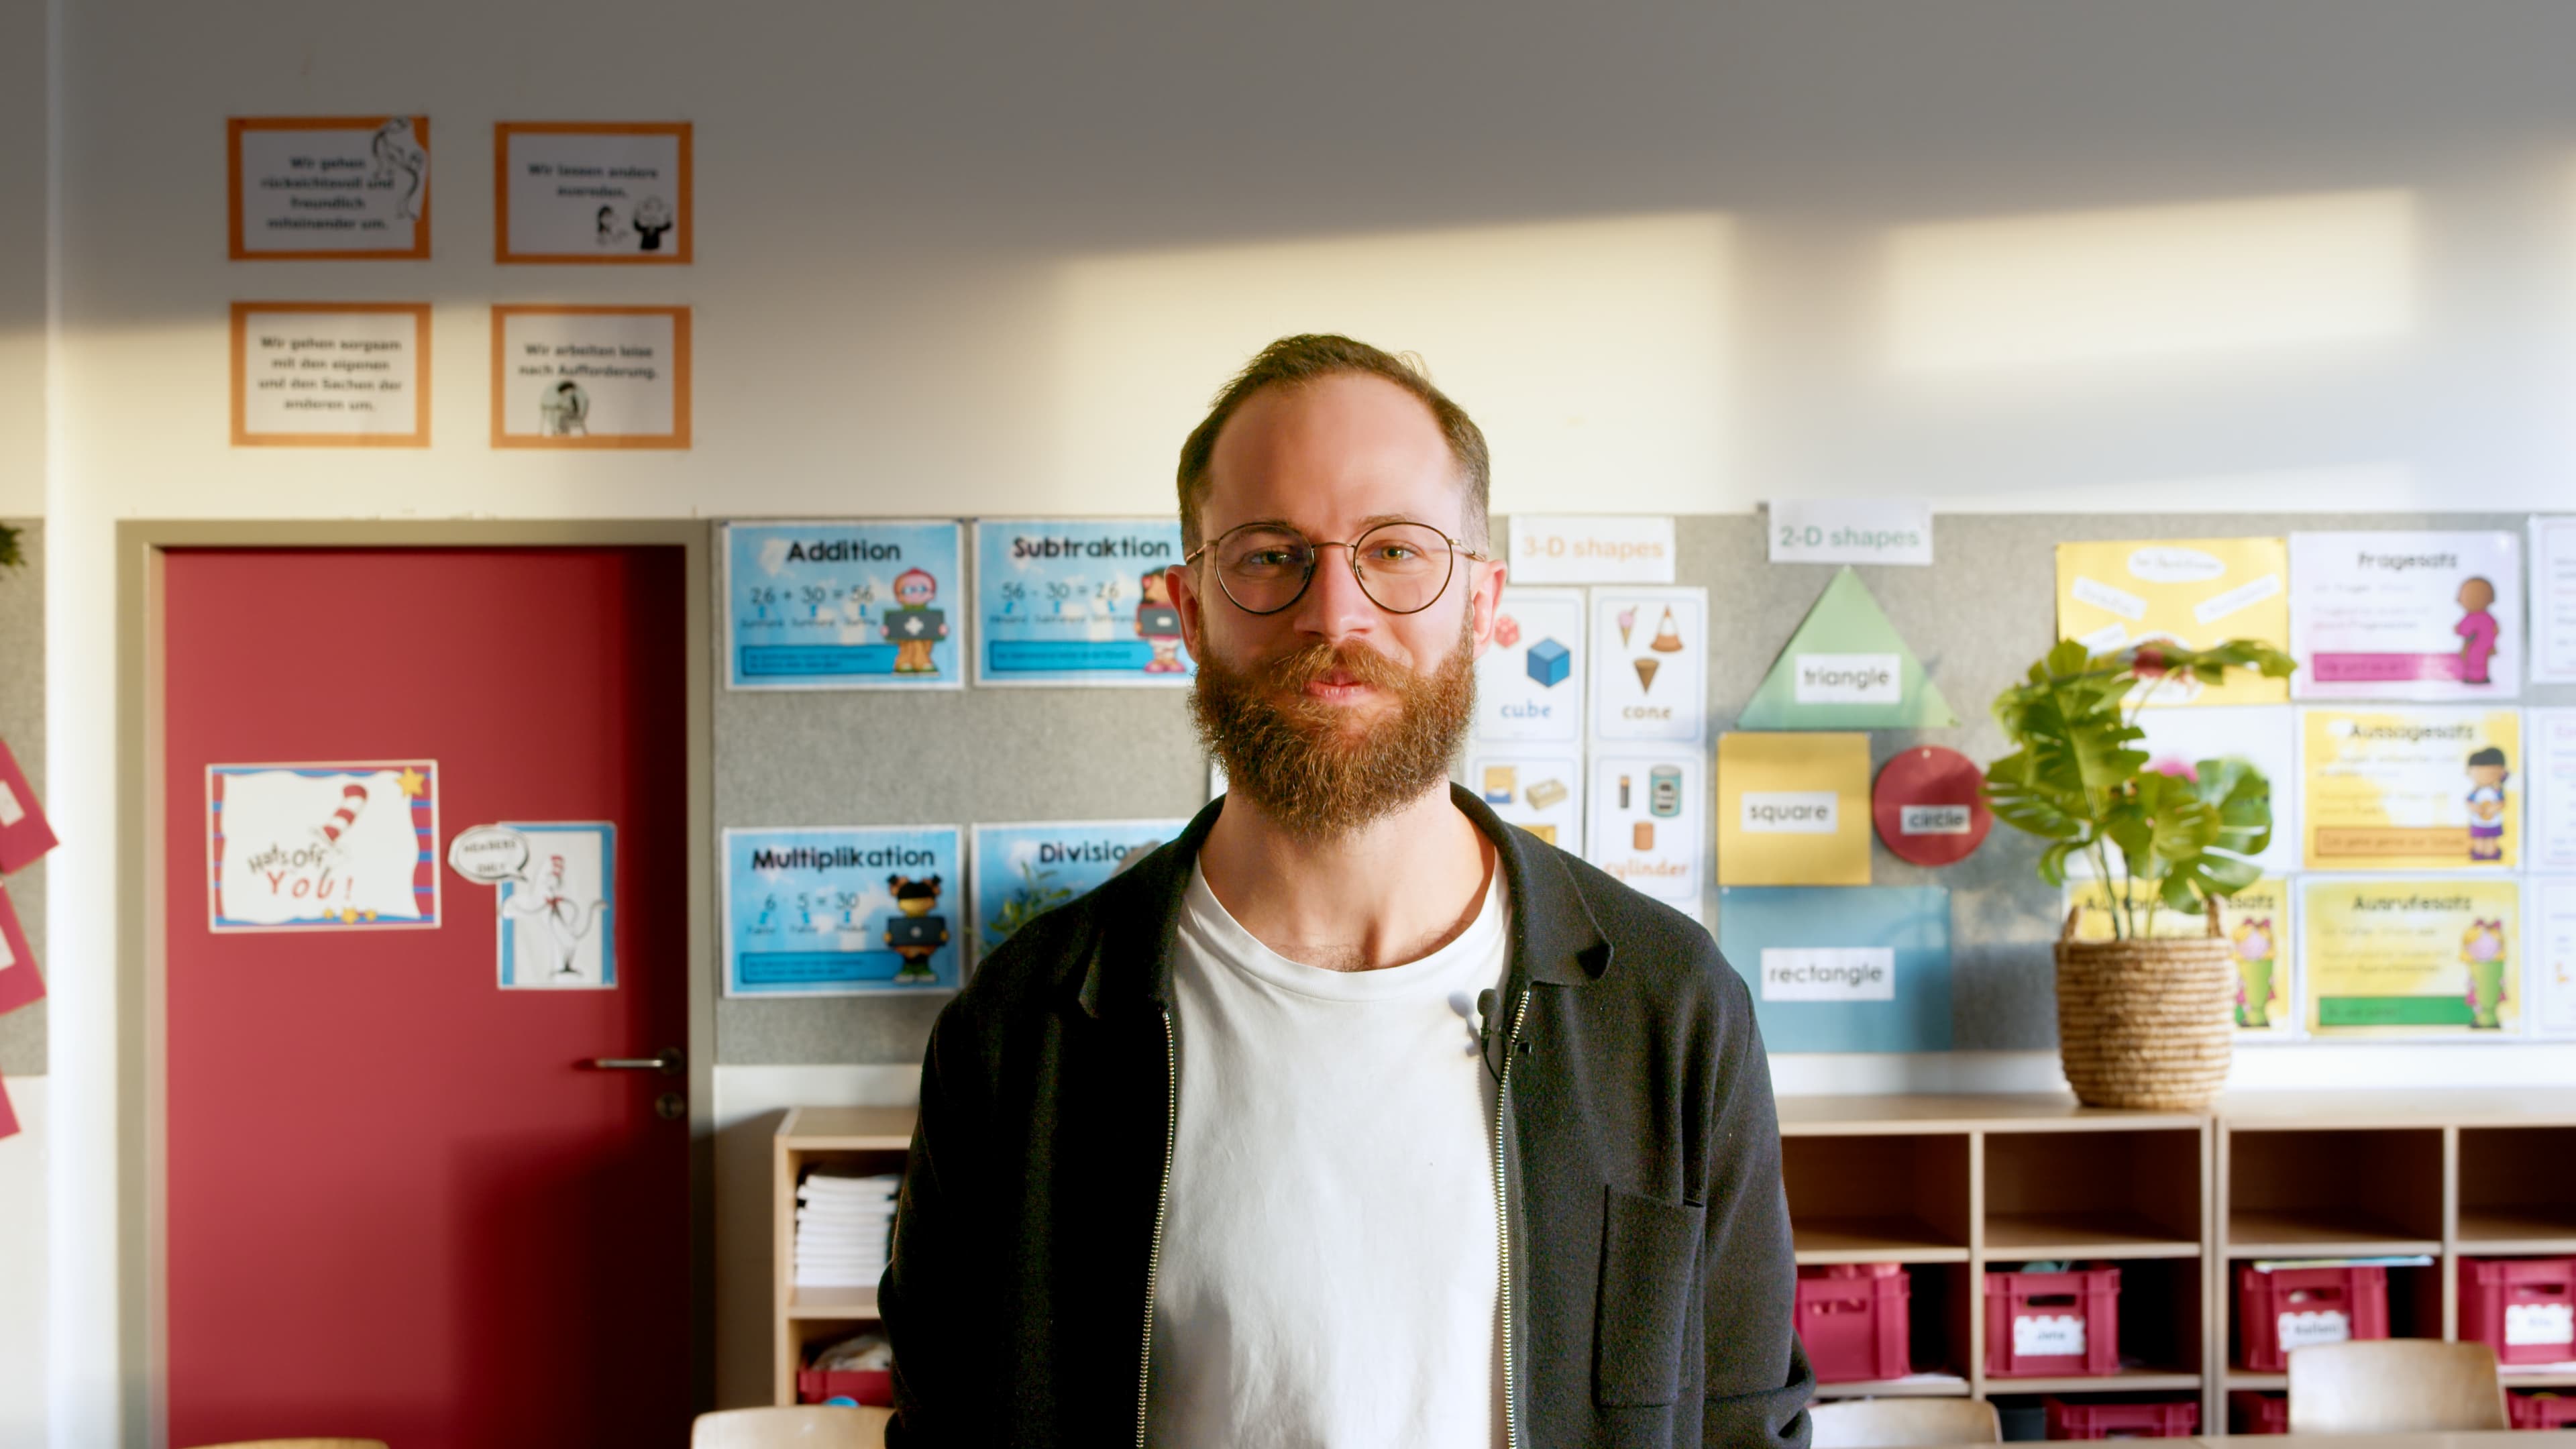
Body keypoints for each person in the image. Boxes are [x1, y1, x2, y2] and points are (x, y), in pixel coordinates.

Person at [882, 333, 1811, 1447]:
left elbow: (1746, 1429)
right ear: (1187, 608)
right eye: (1271, 554)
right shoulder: (1024, 1026)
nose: (1335, 613)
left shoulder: (1669, 1008)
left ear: (1482, 601)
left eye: (1396, 550)